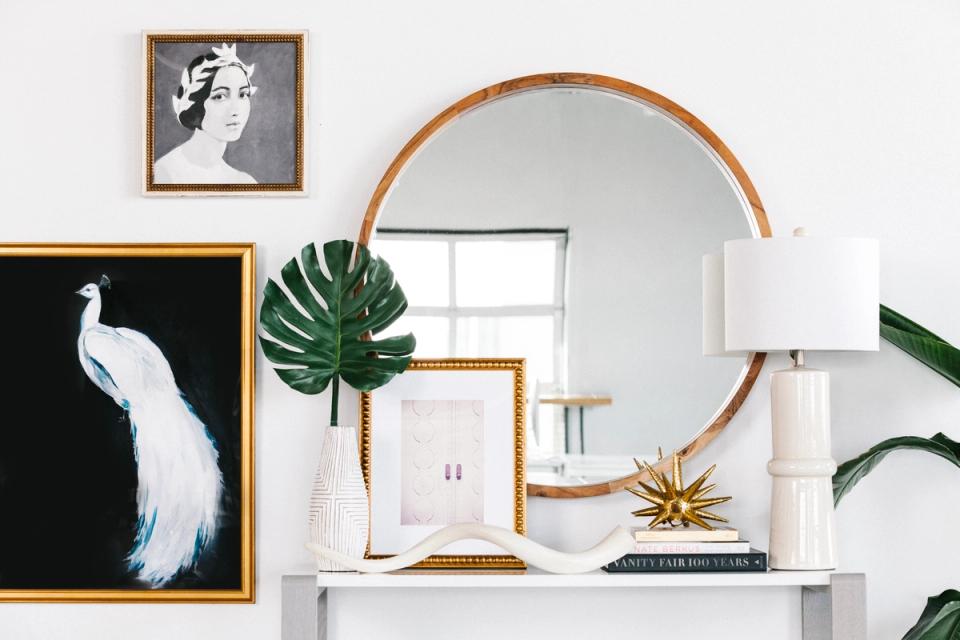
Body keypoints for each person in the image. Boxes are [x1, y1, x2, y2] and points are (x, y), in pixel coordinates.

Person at [154, 43, 258, 184]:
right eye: (220, 96)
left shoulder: (244, 182)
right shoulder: (165, 173)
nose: (235, 110)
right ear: (195, 104)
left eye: (243, 94)